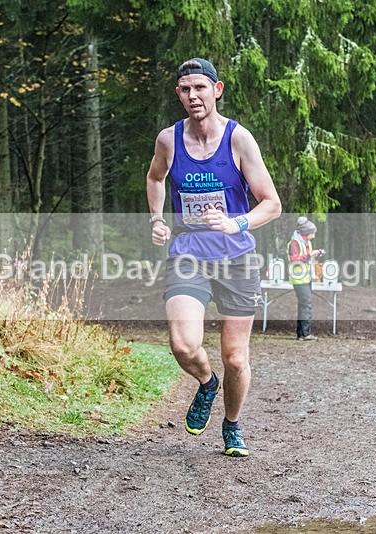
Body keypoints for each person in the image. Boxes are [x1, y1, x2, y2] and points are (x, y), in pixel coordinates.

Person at [146, 58, 281, 457]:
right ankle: (207, 384)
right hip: (188, 252)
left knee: (236, 359)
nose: (193, 96)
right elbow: (155, 178)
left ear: (217, 90)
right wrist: (157, 218)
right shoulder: (168, 140)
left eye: (200, 88)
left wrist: (236, 224)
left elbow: (272, 204)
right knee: (184, 346)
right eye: (185, 90)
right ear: (179, 95)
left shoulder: (239, 140)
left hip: (237, 258)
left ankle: (232, 425)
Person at [287, 216, 325, 341]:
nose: (313, 236)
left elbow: (308, 259)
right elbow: (295, 260)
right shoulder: (294, 243)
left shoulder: (306, 242)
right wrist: (310, 254)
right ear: (306, 233)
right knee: (306, 304)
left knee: (303, 305)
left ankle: (301, 334)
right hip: (298, 279)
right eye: (312, 233)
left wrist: (316, 255)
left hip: (306, 278)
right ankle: (306, 334)